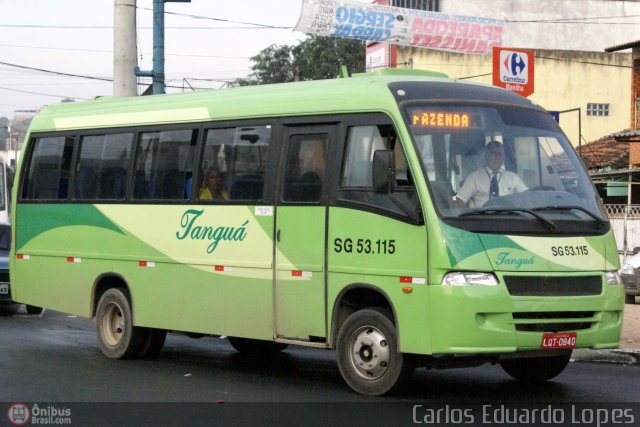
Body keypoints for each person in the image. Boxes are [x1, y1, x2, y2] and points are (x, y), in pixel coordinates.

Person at [456, 140, 527, 208]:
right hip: (482, 218)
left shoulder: (513, 177)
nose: (497, 158)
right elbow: (460, 200)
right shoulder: (474, 178)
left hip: (509, 217)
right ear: (486, 156)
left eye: (500, 154)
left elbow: (527, 197)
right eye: (494, 154)